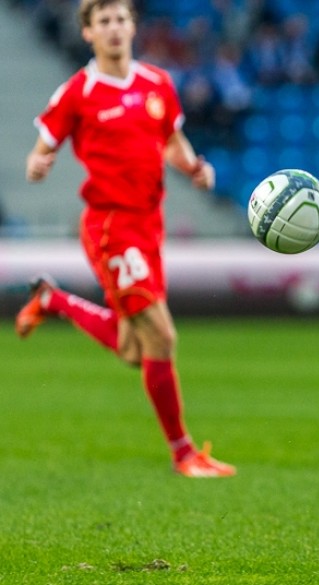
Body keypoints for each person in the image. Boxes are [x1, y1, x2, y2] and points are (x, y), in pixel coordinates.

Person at [17, 0, 235, 478]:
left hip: (149, 224)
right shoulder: (78, 91)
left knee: (135, 349)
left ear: (133, 27)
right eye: (104, 22)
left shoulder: (157, 82)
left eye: (121, 19)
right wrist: (37, 164)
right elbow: (42, 146)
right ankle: (184, 454)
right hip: (111, 227)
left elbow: (171, 140)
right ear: (88, 33)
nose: (114, 28)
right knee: (162, 336)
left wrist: (194, 167)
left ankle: (53, 300)